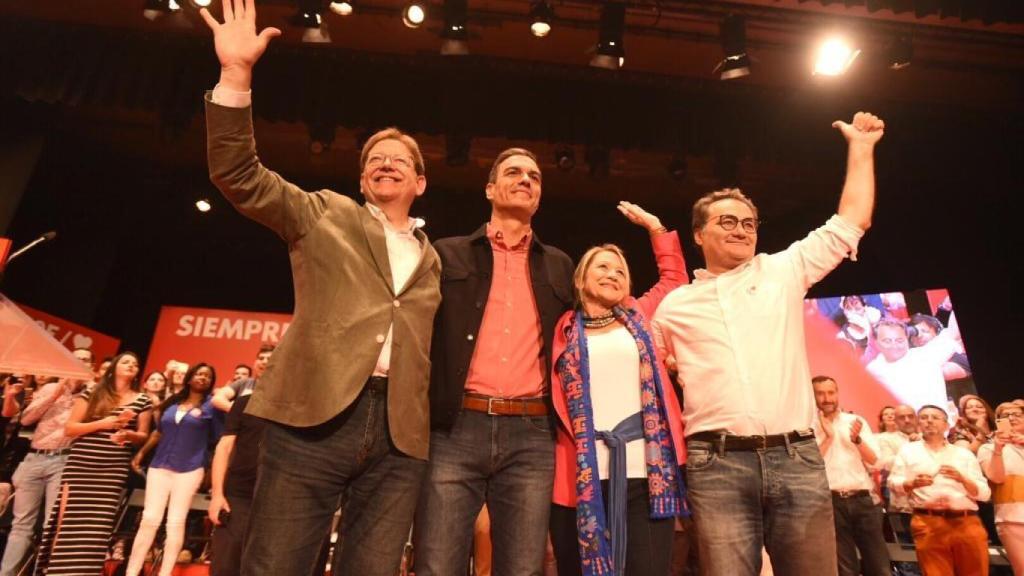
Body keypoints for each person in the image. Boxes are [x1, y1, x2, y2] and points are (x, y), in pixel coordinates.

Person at [200, 2, 442, 574]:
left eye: (399, 160)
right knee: (276, 564)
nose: (386, 164)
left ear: (420, 181)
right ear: (362, 178)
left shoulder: (434, 260)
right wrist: (235, 74)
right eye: (375, 159)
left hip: (399, 436)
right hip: (313, 417)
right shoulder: (323, 213)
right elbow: (239, 175)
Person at [651, 111, 885, 575]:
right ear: (698, 234)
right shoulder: (674, 307)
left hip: (796, 457)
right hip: (716, 464)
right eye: (727, 222)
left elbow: (851, 221)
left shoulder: (783, 271)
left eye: (749, 222)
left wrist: (861, 149)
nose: (741, 230)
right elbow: (647, 373)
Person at [413, 148, 573, 575]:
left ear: (539, 195)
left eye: (534, 176)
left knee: (523, 569)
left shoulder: (560, 266)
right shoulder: (447, 254)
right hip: (455, 427)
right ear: (489, 189)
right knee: (437, 564)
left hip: (532, 434)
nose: (526, 180)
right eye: (514, 172)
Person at [548, 203, 688, 576]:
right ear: (580, 280)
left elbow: (674, 280)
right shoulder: (562, 329)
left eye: (621, 271)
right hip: (581, 474)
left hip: (645, 472)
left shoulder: (639, 317)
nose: (612, 274)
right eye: (602, 267)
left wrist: (656, 229)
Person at [34, 352, 154, 576]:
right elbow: (70, 428)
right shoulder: (92, 392)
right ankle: (57, 571)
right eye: (126, 362)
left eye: (135, 364)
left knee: (97, 525)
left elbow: (143, 435)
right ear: (114, 367)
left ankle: (85, 571)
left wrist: (128, 435)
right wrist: (103, 424)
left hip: (112, 467)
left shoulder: (142, 400)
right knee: (69, 520)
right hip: (82, 464)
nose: (131, 365)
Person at [0, 349, 93, 576]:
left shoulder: (92, 394)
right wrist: (59, 389)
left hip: (64, 459)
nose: (79, 362)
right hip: (35, 457)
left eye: (85, 360)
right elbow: (26, 419)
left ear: (90, 366)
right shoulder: (51, 388)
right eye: (76, 357)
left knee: (52, 525)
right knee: (21, 525)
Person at [125, 363, 222, 576]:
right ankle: (131, 572)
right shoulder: (173, 402)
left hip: (190, 468)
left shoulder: (212, 407)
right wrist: (141, 453)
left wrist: (211, 470)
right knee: (149, 519)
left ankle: (165, 572)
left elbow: (218, 440)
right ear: (189, 377)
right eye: (199, 374)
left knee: (176, 521)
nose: (203, 378)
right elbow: (158, 432)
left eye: (207, 376)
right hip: (160, 465)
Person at [888, 405, 991, 575]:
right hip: (928, 521)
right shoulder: (908, 451)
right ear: (919, 424)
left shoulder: (963, 454)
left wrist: (962, 479)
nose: (929, 421)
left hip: (966, 521)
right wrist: (912, 483)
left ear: (946, 425)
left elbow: (985, 493)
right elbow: (893, 482)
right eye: (924, 418)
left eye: (935, 417)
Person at [812, 376, 890, 576]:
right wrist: (828, 437)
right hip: (829, 501)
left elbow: (875, 461)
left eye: (831, 392)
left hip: (862, 499)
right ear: (812, 396)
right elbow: (810, 466)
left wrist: (857, 440)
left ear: (837, 393)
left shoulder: (855, 421)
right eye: (820, 393)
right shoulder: (808, 427)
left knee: (879, 564)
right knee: (845, 568)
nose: (827, 398)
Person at [207, 387, 269, 576]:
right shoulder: (245, 402)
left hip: (277, 496)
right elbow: (224, 448)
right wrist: (217, 494)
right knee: (226, 562)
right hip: (239, 492)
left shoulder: (297, 407)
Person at [867, 317, 961, 411]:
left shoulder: (926, 355)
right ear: (876, 343)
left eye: (899, 340)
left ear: (906, 339)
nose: (894, 345)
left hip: (938, 418)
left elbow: (953, 332)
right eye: (887, 341)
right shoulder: (872, 370)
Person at [978, 401, 1024, 575]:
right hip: (1012, 518)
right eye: (1005, 416)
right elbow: (996, 477)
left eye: (1017, 414)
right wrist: (998, 448)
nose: (1011, 418)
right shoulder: (987, 448)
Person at [212, 344, 273, 413]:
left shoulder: (280, 387)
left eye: (269, 359)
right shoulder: (244, 383)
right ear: (255, 363)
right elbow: (217, 398)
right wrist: (237, 411)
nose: (264, 362)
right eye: (261, 358)